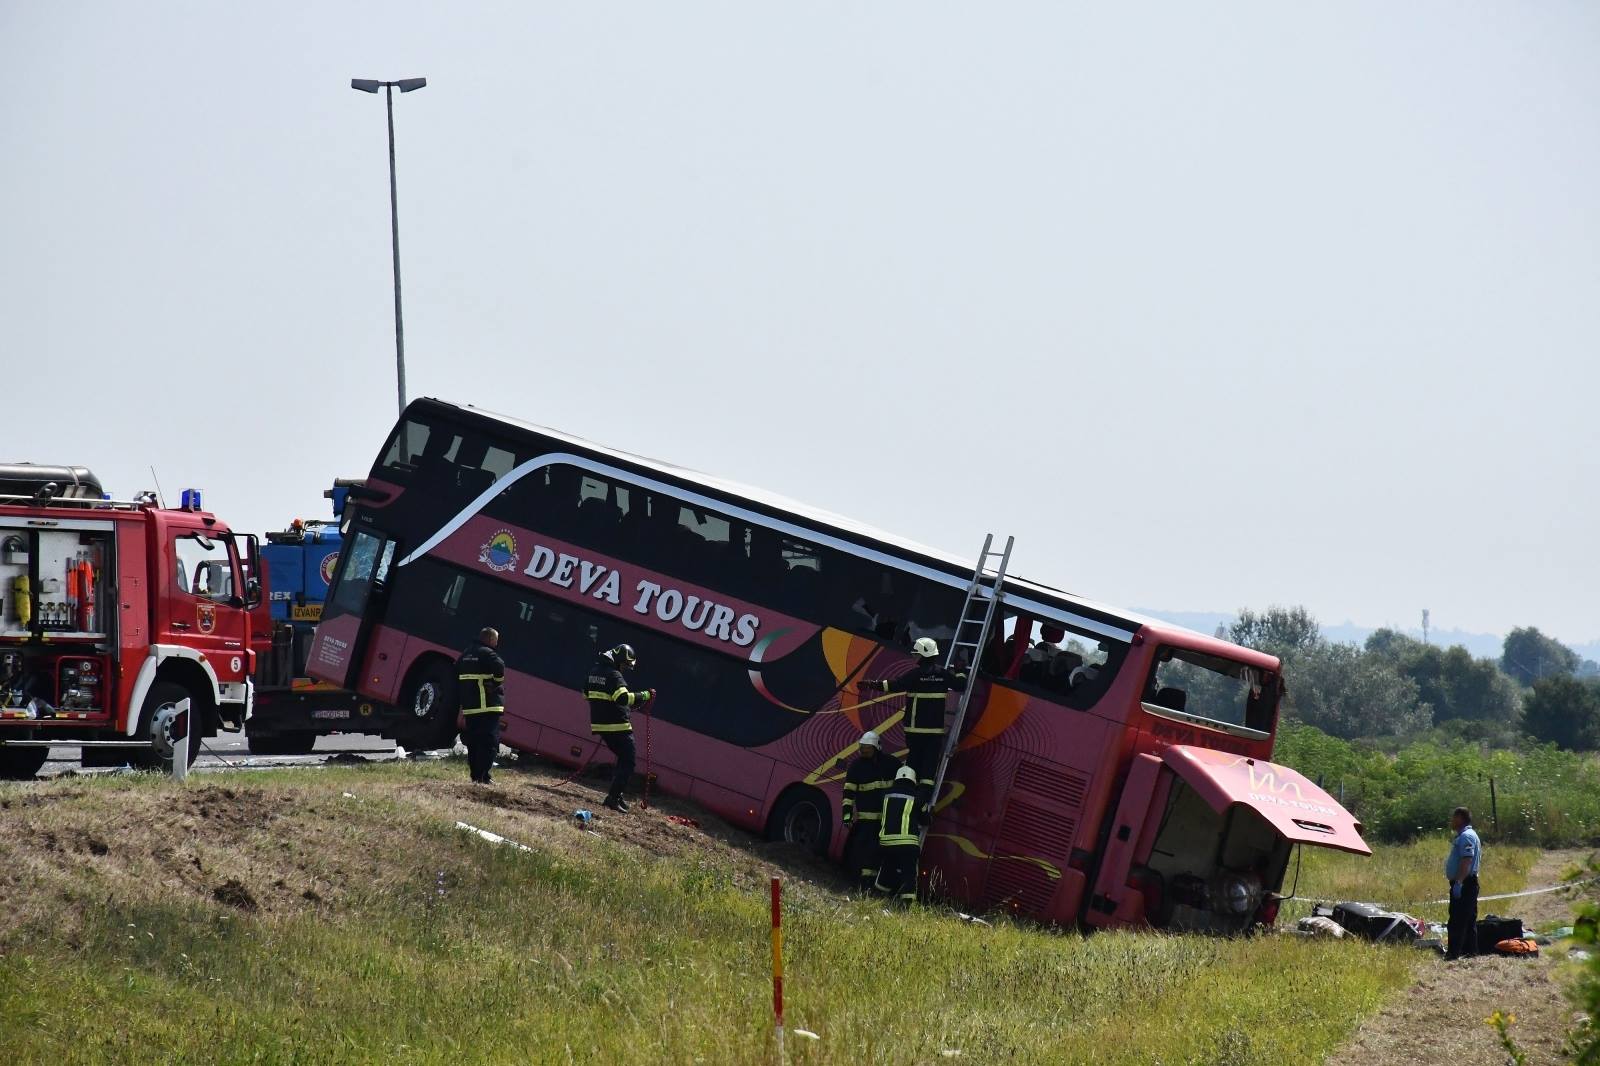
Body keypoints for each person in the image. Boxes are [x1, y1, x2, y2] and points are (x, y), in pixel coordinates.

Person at [859, 637, 966, 806]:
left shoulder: (915, 675)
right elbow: (960, 684)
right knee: (928, 773)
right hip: (934, 734)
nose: (914, 657)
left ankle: (906, 802)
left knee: (912, 769)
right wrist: (960, 670)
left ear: (924, 655)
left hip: (914, 732)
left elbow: (894, 685)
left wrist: (871, 684)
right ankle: (922, 805)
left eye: (916, 654)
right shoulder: (943, 674)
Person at [585, 643, 655, 812]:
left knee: (623, 761)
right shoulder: (614, 675)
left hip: (601, 724)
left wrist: (607, 706)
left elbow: (586, 693)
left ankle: (617, 793)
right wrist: (645, 695)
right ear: (617, 661)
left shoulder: (595, 671)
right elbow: (623, 698)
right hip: (617, 725)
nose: (624, 669)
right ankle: (613, 798)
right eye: (624, 665)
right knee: (629, 761)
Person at [841, 730, 901, 890]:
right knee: (862, 851)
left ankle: (869, 886)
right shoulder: (856, 767)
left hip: (883, 821)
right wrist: (847, 816)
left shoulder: (891, 764)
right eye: (862, 749)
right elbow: (848, 794)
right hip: (865, 821)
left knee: (876, 853)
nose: (864, 753)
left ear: (877, 748)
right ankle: (861, 883)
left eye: (867, 750)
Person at [456, 627, 506, 785]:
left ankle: (475, 776)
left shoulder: (465, 654)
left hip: (471, 708)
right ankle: (484, 777)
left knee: (474, 742)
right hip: (487, 706)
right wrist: (496, 683)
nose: (497, 643)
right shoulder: (488, 653)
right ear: (490, 639)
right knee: (489, 743)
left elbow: (456, 673)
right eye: (496, 640)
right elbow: (500, 666)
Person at [873, 766, 925, 904]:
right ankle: (906, 905)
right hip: (907, 844)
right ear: (913, 781)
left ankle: (878, 896)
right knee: (909, 874)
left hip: (886, 843)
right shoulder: (916, 797)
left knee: (887, 868)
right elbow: (925, 819)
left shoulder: (885, 794)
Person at [1445, 805, 1482, 960]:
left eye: (1454, 817)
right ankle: (1470, 952)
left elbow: (1466, 861)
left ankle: (1454, 954)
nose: (1452, 820)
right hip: (1467, 883)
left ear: (1460, 818)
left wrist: (1459, 882)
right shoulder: (1465, 835)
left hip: (1465, 883)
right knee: (1468, 919)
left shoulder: (1466, 836)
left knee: (1458, 920)